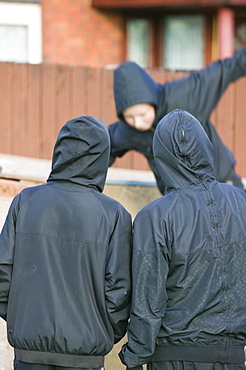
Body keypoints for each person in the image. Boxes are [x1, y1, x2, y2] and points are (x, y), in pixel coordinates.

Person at [0, 116, 132, 370]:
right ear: (102, 157)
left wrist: (23, 320)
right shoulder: (114, 214)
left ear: (59, 151)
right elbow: (119, 292)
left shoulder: (25, 202)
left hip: (29, 355)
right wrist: (100, 332)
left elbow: (2, 273)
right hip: (85, 354)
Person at [119, 109, 246, 370]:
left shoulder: (155, 217)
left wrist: (134, 358)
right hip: (232, 357)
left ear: (161, 157)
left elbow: (148, 301)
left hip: (175, 358)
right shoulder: (240, 202)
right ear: (205, 147)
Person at [108, 46, 246, 194]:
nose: (138, 123)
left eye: (142, 114)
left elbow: (226, 69)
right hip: (176, 199)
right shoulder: (128, 131)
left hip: (220, 185)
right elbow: (105, 147)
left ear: (152, 103)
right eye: (130, 117)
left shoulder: (186, 96)